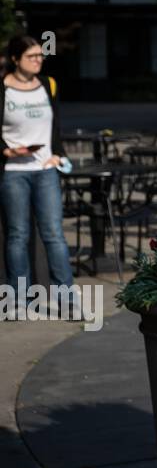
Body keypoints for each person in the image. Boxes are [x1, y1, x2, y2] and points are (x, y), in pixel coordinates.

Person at [1, 35, 77, 310]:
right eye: (31, 56)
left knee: (54, 233)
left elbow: (55, 125)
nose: (38, 60)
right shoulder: (4, 88)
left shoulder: (47, 84)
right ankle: (18, 299)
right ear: (15, 59)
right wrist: (6, 151)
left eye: (39, 56)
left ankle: (67, 298)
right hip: (13, 172)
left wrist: (58, 154)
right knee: (18, 235)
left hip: (45, 169)